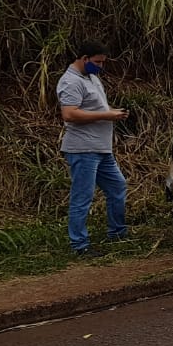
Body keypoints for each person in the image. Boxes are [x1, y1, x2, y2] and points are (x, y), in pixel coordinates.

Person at [56, 40, 129, 258]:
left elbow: (94, 108)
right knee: (83, 197)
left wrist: (112, 112)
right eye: (97, 62)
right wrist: (107, 115)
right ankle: (79, 244)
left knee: (117, 186)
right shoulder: (70, 82)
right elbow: (69, 114)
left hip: (101, 148)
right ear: (84, 58)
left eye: (102, 62)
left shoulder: (92, 78)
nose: (100, 66)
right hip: (83, 149)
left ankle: (117, 232)